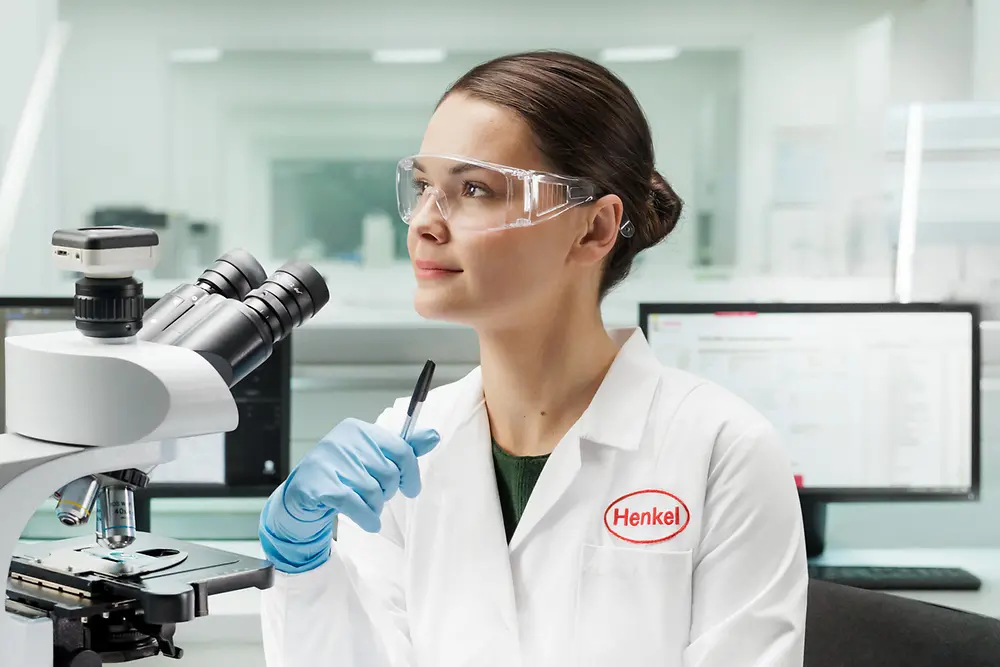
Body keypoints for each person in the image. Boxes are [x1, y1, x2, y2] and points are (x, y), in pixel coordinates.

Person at [258, 50, 808, 667]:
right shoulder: (404, 451)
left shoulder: (720, 449)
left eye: (473, 190)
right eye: (421, 187)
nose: (424, 225)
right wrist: (301, 560)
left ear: (596, 229)